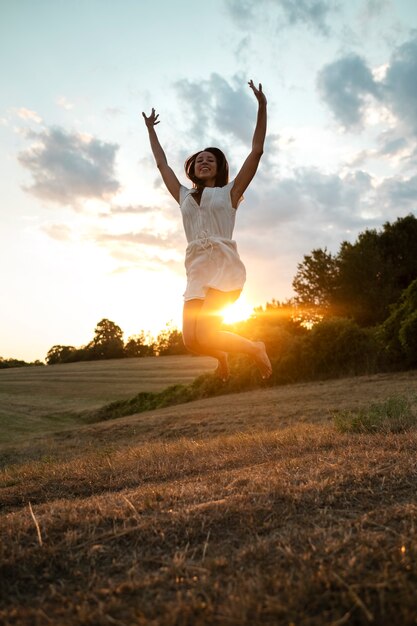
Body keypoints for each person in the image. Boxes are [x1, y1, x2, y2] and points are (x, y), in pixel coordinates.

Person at [142, 79, 272, 381]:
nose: (203, 162)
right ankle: (222, 355)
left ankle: (254, 348)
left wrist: (262, 107)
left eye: (209, 160)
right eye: (199, 160)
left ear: (218, 167)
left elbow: (256, 152)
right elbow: (162, 165)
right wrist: (151, 130)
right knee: (192, 340)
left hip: (223, 267)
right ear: (192, 168)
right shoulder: (183, 195)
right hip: (196, 269)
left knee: (208, 331)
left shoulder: (230, 193)